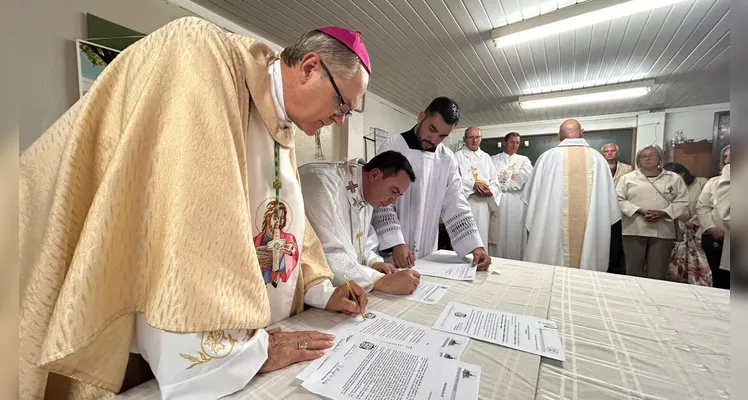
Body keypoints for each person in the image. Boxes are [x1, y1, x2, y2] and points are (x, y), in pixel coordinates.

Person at [20, 18, 373, 399]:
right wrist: (232, 354)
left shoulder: (282, 122)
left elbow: (289, 223)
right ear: (309, 67)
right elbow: (187, 217)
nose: (339, 121)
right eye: (342, 106)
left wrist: (321, 290)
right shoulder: (202, 54)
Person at [371, 97, 491, 271]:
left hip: (428, 251)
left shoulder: (447, 158)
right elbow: (379, 196)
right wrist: (396, 241)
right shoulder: (393, 146)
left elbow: (456, 204)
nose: (434, 139)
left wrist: (475, 247)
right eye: (432, 129)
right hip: (391, 252)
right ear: (421, 117)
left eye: (442, 136)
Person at [300, 151, 422, 295]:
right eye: (393, 191)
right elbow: (326, 252)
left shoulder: (367, 191)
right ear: (375, 174)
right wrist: (380, 281)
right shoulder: (321, 182)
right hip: (308, 289)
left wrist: (374, 262)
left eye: (398, 195)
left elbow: (364, 238)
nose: (393, 201)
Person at [521, 119, 620, 270]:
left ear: (559, 136)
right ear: (582, 132)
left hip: (550, 228)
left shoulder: (546, 158)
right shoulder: (598, 159)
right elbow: (609, 206)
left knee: (549, 267)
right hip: (590, 231)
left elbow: (531, 198)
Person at [616, 145, 689, 280]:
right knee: (633, 269)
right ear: (638, 160)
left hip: (663, 229)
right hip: (634, 228)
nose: (647, 158)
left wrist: (664, 213)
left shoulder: (674, 178)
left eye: (652, 155)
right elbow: (618, 199)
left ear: (660, 158)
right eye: (643, 156)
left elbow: (683, 201)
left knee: (658, 270)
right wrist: (639, 211)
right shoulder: (628, 178)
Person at [454, 127, 501, 255]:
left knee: (481, 235)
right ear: (464, 139)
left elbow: (494, 181)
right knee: (465, 237)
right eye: (470, 137)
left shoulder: (486, 158)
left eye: (477, 137)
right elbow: (453, 179)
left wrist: (490, 190)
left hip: (482, 205)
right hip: (465, 203)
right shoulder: (457, 157)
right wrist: (472, 184)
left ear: (481, 139)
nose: (474, 140)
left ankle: (481, 261)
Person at [489, 132, 533, 259]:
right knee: (498, 232)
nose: (515, 145)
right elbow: (490, 178)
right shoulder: (493, 159)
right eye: (512, 142)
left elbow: (524, 178)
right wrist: (508, 177)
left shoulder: (524, 160)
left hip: (516, 203)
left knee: (515, 232)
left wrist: (503, 180)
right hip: (498, 201)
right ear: (505, 142)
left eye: (517, 143)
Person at [697, 146, 730, 288]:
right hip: (717, 238)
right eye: (726, 157)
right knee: (719, 281)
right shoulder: (713, 182)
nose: (729, 161)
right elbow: (702, 207)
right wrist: (712, 228)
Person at [601, 143, 632, 274]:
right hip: (602, 208)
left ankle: (615, 266)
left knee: (616, 239)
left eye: (612, 151)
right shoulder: (596, 167)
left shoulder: (627, 169)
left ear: (617, 153)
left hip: (620, 209)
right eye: (606, 151)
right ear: (603, 154)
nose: (609, 153)